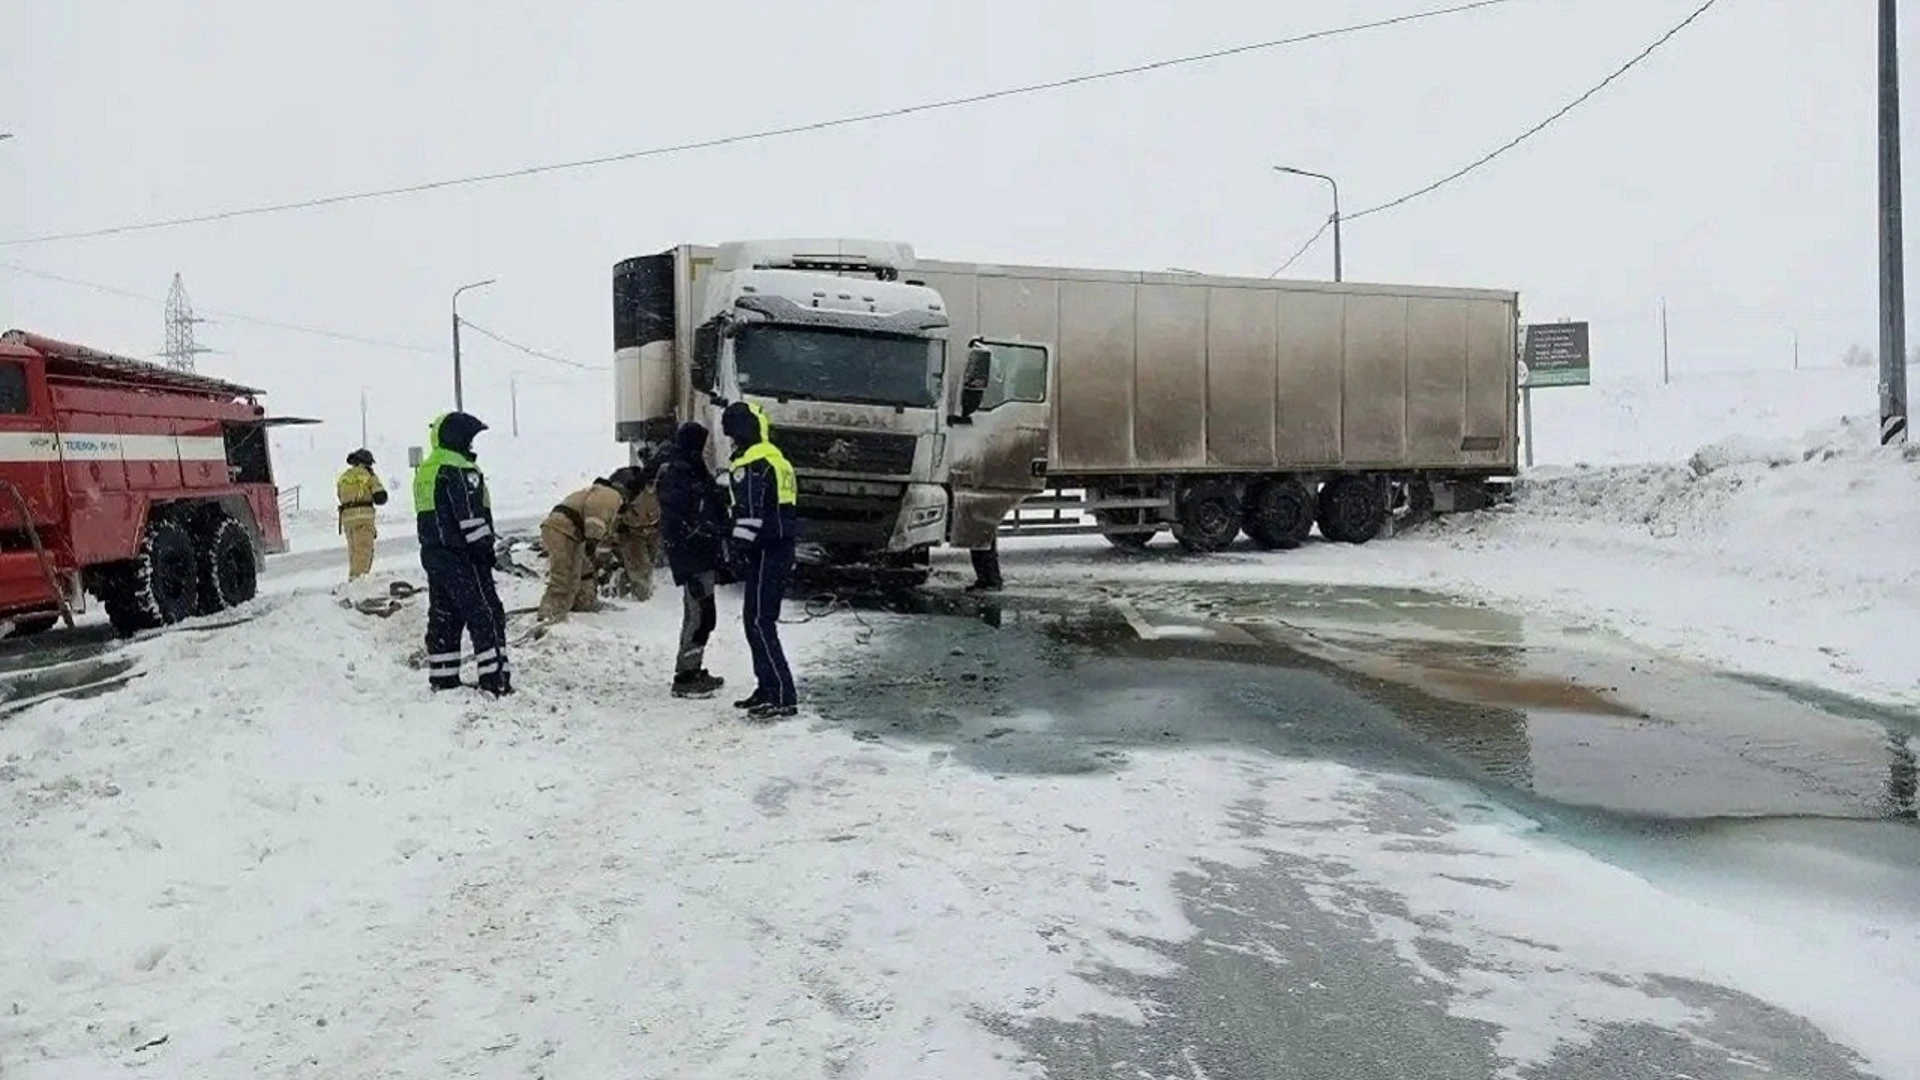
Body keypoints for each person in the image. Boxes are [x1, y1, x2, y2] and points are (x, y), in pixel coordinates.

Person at [413, 411, 511, 695]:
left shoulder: (427, 470)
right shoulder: (459, 468)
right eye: (469, 439)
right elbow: (470, 518)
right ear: (457, 438)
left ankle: (443, 679)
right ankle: (496, 681)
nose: (471, 447)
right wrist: (485, 552)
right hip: (465, 557)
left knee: (444, 616)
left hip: (435, 557)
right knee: (487, 614)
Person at [722, 401, 798, 719]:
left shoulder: (751, 465)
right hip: (778, 546)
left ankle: (780, 694)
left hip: (766, 549)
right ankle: (767, 687)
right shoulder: (775, 459)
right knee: (758, 620)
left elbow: (750, 515)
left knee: (759, 621)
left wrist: (736, 552)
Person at [656, 422, 729, 699]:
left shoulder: (691, 470)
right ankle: (686, 675)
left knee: (700, 614)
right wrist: (700, 532)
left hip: (700, 555)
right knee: (700, 616)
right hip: (692, 557)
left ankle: (692, 668)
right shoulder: (679, 474)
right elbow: (678, 520)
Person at [537, 468, 645, 622]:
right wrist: (593, 541)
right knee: (563, 575)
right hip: (562, 530)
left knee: (582, 572)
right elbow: (595, 518)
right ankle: (550, 613)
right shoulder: (611, 495)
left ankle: (577, 603)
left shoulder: (603, 492)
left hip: (570, 532)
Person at [610, 468, 663, 602]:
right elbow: (614, 514)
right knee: (640, 567)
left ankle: (631, 588)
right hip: (631, 531)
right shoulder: (627, 489)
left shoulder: (662, 488)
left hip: (653, 529)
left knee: (649, 562)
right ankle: (640, 599)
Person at [336, 448, 388, 581]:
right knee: (364, 552)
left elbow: (340, 495)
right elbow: (380, 497)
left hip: (347, 520)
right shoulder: (368, 475)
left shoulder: (344, 477)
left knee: (354, 552)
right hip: (363, 518)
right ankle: (357, 583)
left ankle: (353, 579)